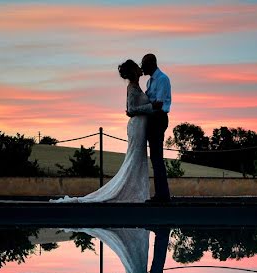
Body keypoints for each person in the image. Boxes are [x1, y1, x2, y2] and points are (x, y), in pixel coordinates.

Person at [51, 60, 152, 203]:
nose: (140, 67)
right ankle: (130, 193)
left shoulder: (136, 87)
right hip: (137, 127)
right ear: (134, 70)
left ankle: (137, 191)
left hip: (140, 126)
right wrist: (150, 107)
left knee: (138, 159)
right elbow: (130, 110)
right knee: (134, 158)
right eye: (137, 66)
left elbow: (129, 109)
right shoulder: (132, 88)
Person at [141, 53, 172, 204]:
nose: (142, 68)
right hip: (152, 119)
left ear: (151, 64)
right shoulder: (149, 82)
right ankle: (160, 194)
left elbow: (159, 103)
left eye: (144, 64)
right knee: (154, 157)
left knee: (157, 157)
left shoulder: (162, 79)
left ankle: (163, 195)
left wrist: (141, 108)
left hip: (159, 118)